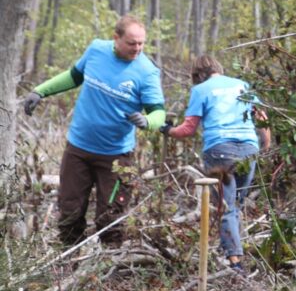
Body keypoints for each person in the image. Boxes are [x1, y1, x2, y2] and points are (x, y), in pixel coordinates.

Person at [22, 15, 165, 248]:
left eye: (141, 43)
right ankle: (68, 269)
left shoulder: (147, 72)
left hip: (116, 156)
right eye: (132, 43)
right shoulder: (97, 50)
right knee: (70, 211)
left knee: (110, 217)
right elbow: (73, 77)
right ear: (116, 38)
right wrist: (40, 91)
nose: (137, 48)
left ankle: (109, 267)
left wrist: (147, 121)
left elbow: (159, 113)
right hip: (78, 149)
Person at [163, 55, 271, 271]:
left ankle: (235, 263)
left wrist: (166, 130)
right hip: (249, 149)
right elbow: (262, 118)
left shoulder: (201, 90)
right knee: (236, 204)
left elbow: (188, 129)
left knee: (226, 207)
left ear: (199, 75)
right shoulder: (241, 85)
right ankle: (235, 253)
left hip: (220, 151)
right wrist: (265, 145)